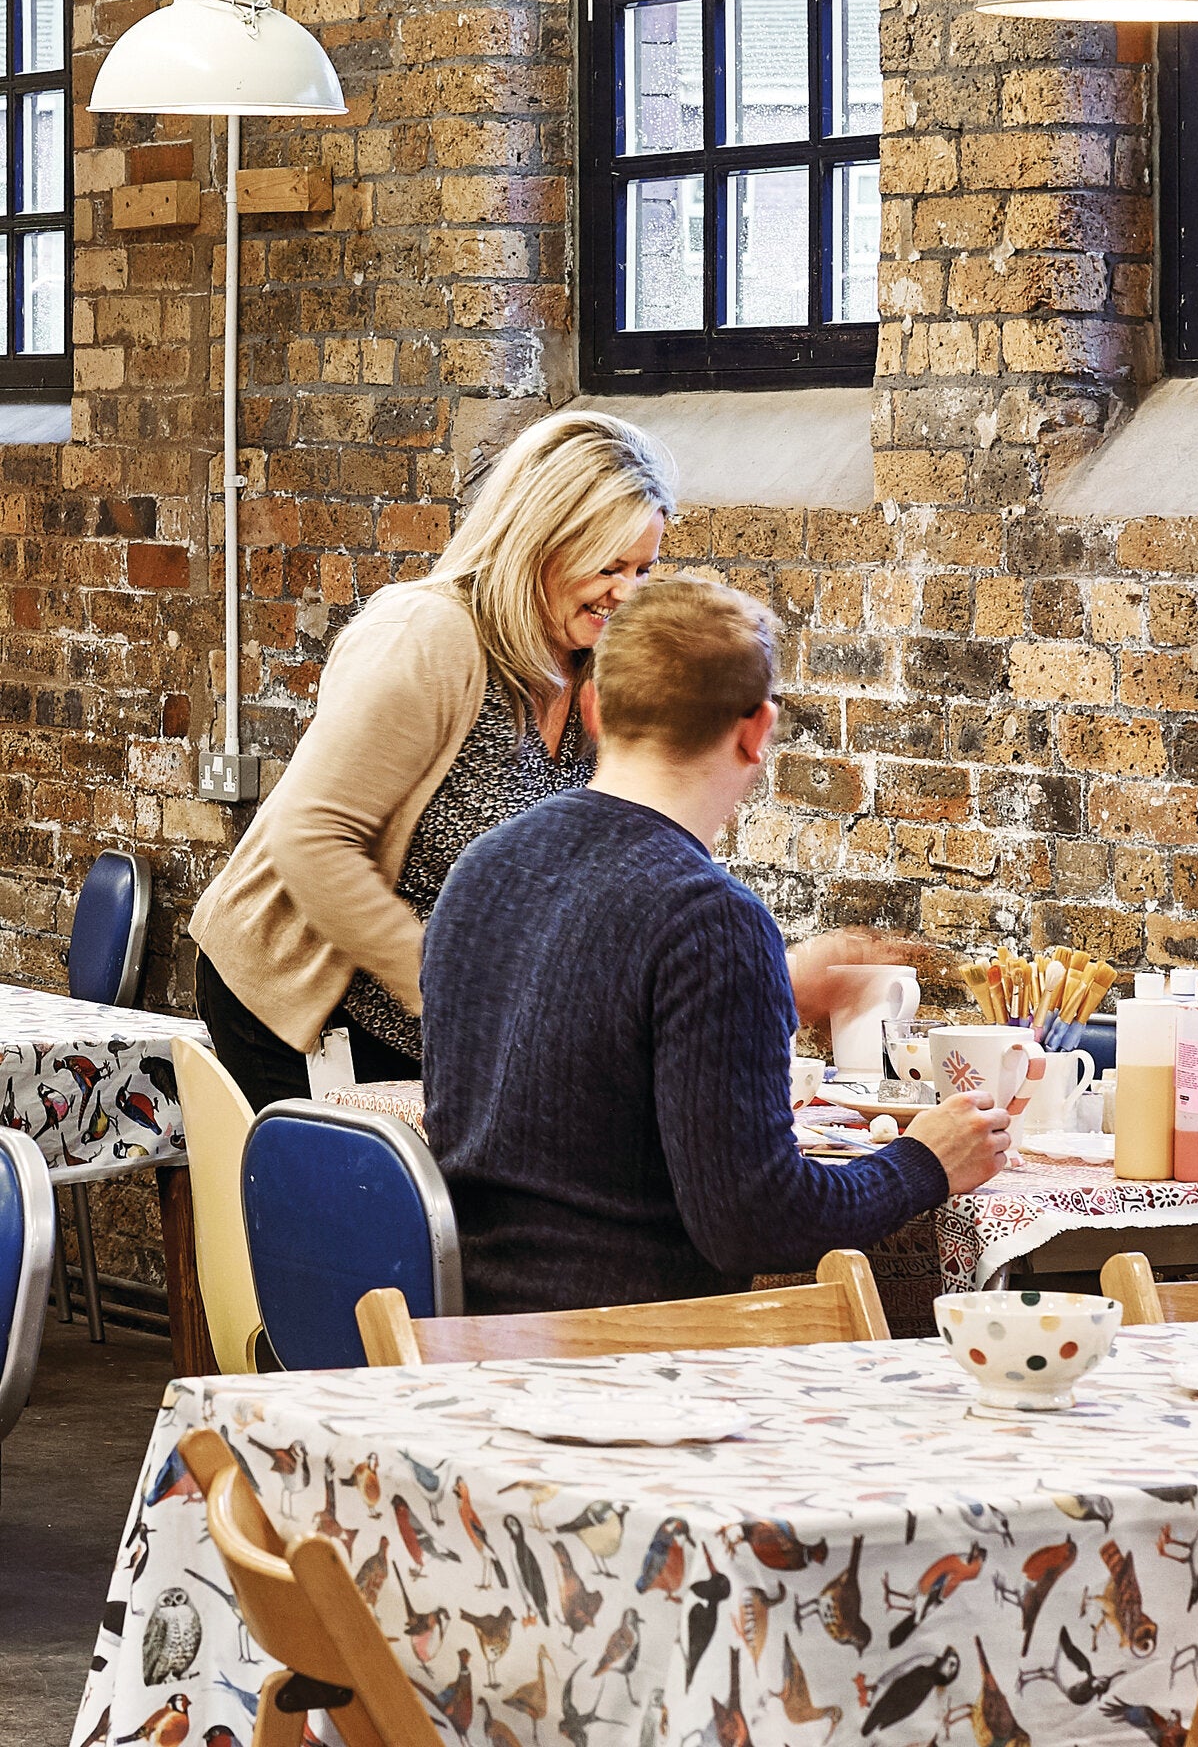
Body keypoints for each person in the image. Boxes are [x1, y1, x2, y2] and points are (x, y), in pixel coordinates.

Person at [188, 412, 875, 1111]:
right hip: (303, 1014)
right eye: (608, 566)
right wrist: (452, 988)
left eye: (644, 568)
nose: (628, 592)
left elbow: (629, 848)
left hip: (450, 1025)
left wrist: (759, 975)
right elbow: (309, 838)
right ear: (536, 543)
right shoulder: (430, 637)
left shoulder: (592, 667)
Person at [420, 578, 1012, 1313]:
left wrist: (776, 990)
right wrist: (926, 1164)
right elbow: (755, 1223)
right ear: (757, 731)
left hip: (461, 1338)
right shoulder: (710, 919)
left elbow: (578, 1048)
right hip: (621, 1357)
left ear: (598, 708)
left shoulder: (484, 868)